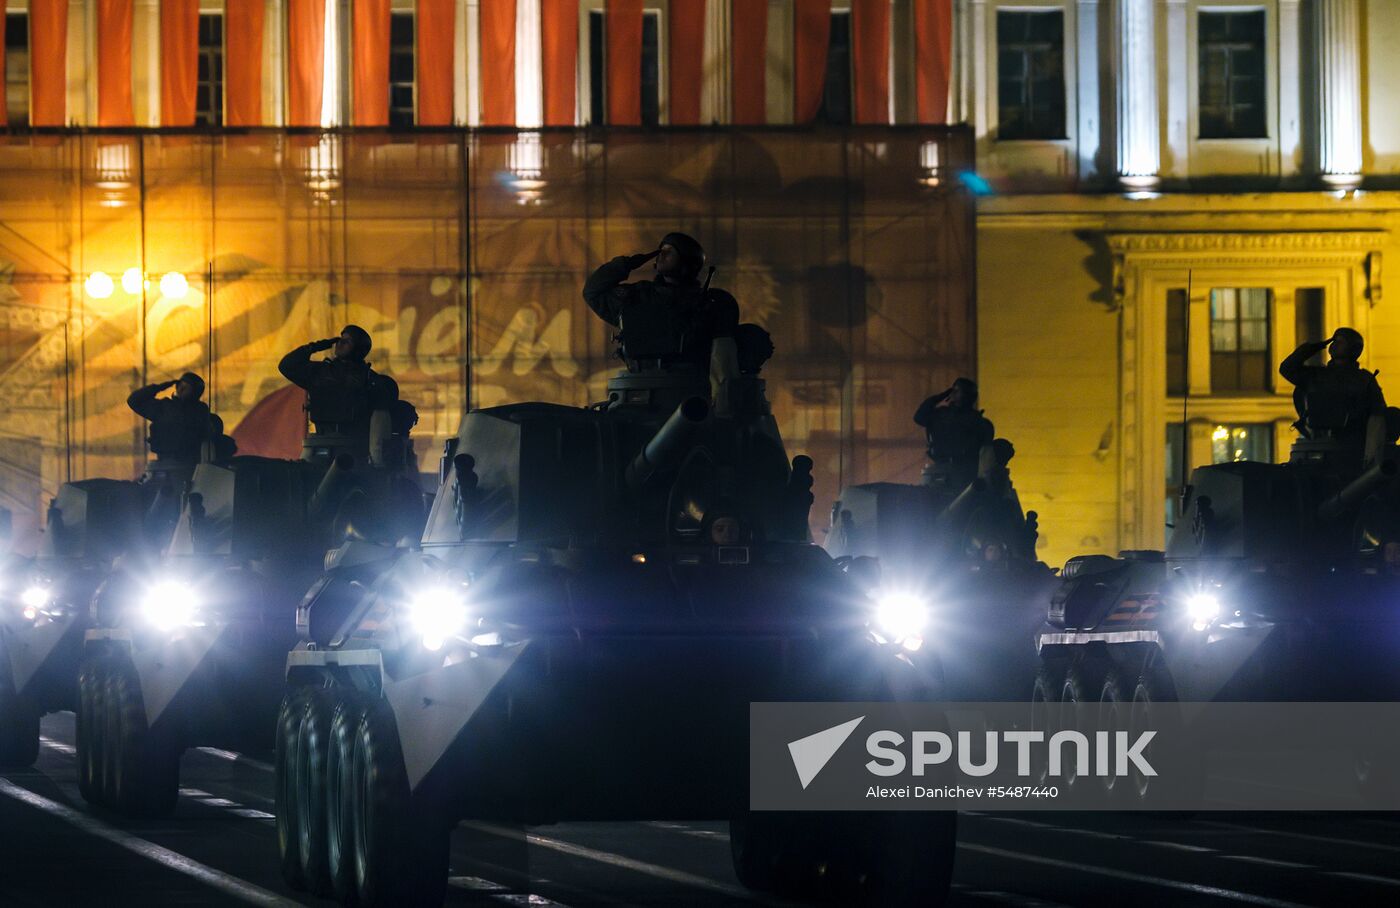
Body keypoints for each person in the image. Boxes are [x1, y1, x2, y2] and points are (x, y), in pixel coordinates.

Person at [582, 233, 739, 369]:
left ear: (687, 263)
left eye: (669, 252)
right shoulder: (640, 295)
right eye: (661, 251)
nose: (661, 255)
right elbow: (593, 292)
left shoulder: (708, 303)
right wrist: (627, 264)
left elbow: (723, 354)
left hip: (693, 382)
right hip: (643, 381)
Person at [278, 325, 398, 449]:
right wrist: (315, 346)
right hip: (321, 441)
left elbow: (380, 419)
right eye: (340, 339)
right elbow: (286, 366)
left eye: (348, 341)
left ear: (359, 349)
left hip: (355, 445)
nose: (340, 343)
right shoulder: (320, 372)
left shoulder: (370, 380)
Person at [1280, 328, 1386, 453]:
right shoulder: (1316, 375)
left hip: (1353, 445)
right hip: (1317, 443)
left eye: (1341, 342)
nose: (1334, 344)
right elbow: (1287, 368)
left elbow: (1379, 412)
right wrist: (1315, 347)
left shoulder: (1364, 379)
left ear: (1354, 349)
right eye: (1334, 341)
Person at [914, 378, 995, 490]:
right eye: (956, 390)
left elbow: (986, 454)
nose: (958, 394)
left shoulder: (979, 423)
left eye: (960, 391)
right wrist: (939, 397)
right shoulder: (940, 416)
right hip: (938, 470)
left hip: (965, 473)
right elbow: (919, 417)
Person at [126, 372, 214, 464]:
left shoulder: (199, 410)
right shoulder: (164, 407)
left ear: (195, 392)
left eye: (187, 387)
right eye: (180, 385)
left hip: (190, 462)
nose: (181, 389)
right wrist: (160, 387)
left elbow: (205, 433)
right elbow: (134, 400)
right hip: (165, 460)